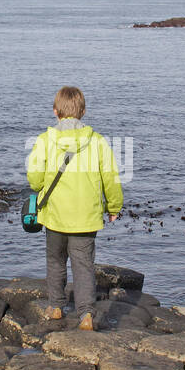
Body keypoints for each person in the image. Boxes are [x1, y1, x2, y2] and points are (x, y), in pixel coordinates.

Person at [26, 86, 123, 330]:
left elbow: (35, 180)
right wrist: (114, 207)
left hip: (55, 215)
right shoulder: (98, 142)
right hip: (86, 217)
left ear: (55, 111)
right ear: (83, 111)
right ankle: (86, 315)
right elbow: (110, 178)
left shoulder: (45, 140)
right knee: (84, 266)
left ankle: (56, 306)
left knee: (56, 261)